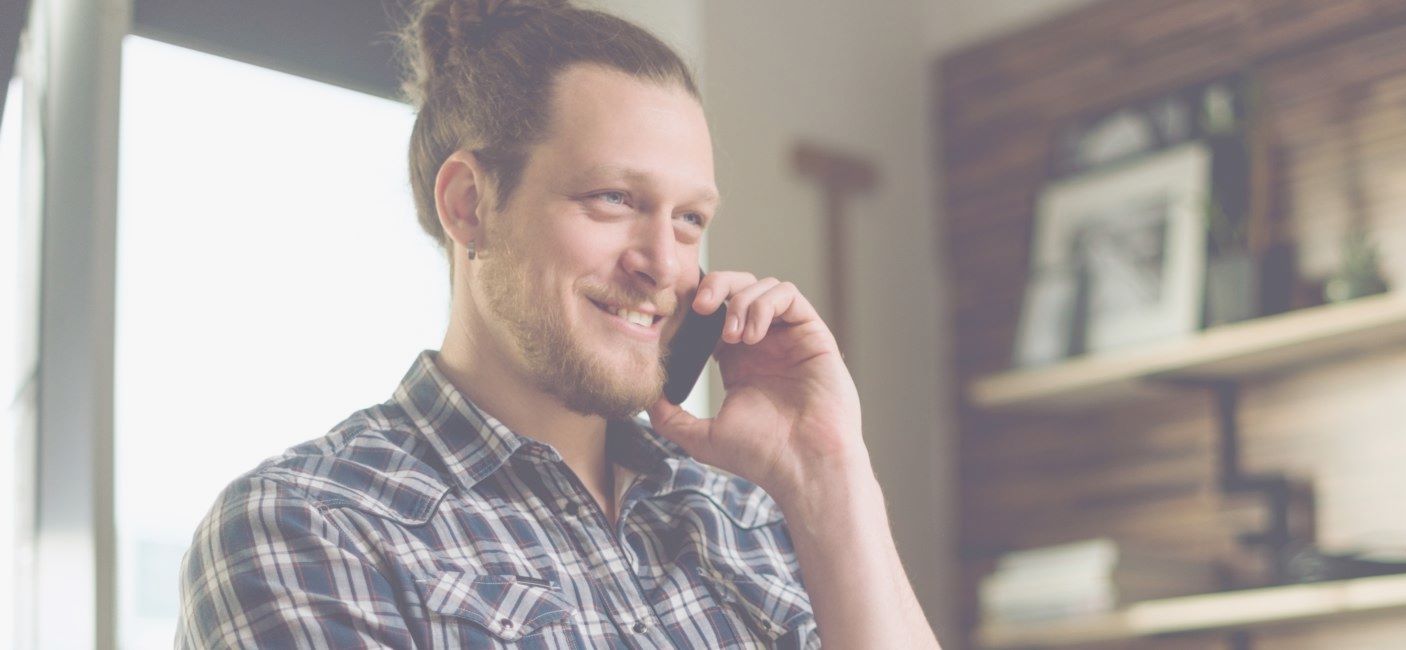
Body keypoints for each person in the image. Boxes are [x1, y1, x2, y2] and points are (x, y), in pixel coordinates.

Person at [174, 0, 937, 647]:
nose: (664, 265)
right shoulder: (310, 528)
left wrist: (829, 471)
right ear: (469, 204)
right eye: (613, 198)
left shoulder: (756, 520)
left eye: (690, 218)